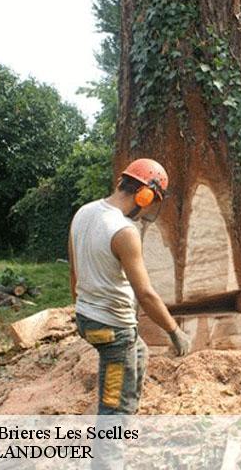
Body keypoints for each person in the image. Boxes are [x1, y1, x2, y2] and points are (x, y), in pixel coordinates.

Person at [69, 158, 191, 415]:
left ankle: (127, 412)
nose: (146, 212)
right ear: (145, 196)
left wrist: (80, 309)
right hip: (113, 331)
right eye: (150, 205)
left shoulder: (83, 212)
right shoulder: (124, 231)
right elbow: (145, 294)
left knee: (138, 351)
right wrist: (174, 332)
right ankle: (110, 448)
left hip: (86, 319)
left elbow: (74, 272)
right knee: (113, 407)